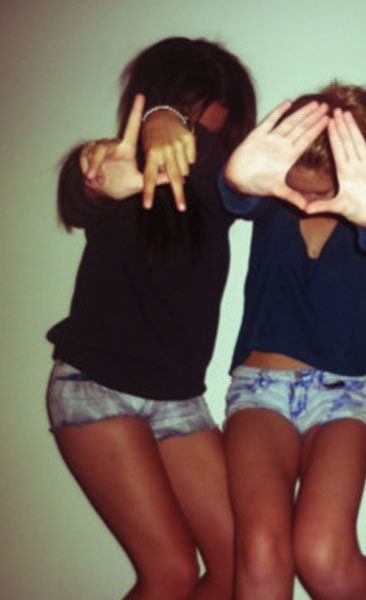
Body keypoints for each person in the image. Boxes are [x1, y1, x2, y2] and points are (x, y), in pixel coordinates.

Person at [46, 37, 256, 600]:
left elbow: (223, 172)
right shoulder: (115, 165)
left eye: (215, 126)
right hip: (96, 388)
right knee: (171, 573)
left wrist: (173, 121)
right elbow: (79, 196)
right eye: (193, 112)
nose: (201, 135)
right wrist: (103, 171)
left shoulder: (218, 197)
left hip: (178, 400)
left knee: (243, 566)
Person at [218, 83, 366, 600]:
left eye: (320, 191)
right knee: (260, 552)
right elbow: (234, 196)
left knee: (323, 553)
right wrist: (238, 179)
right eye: (299, 188)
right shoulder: (271, 201)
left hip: (342, 394)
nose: (307, 204)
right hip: (259, 390)